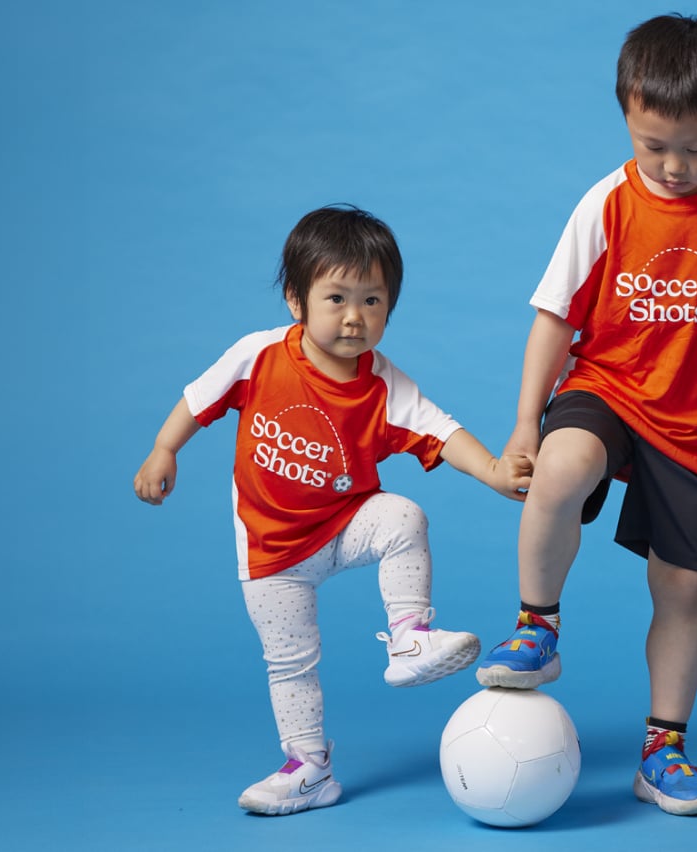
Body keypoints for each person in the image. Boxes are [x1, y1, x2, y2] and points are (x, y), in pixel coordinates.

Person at [475, 14, 697, 816]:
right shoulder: (605, 203)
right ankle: (537, 626)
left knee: (682, 588)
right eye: (651, 144)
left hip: (696, 427)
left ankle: (662, 751)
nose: (672, 166)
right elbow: (555, 317)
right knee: (560, 470)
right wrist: (528, 420)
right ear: (626, 115)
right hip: (607, 387)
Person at [134, 205, 531, 816]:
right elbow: (197, 399)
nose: (355, 317)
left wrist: (497, 473)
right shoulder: (259, 355)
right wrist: (164, 449)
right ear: (297, 299)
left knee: (403, 516)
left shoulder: (383, 385)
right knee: (290, 663)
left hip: (344, 526)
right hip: (270, 551)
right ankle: (310, 769)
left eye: (373, 301)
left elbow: (441, 431)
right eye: (337, 298)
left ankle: (410, 638)